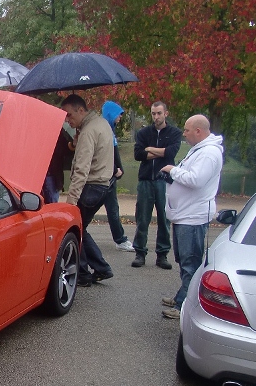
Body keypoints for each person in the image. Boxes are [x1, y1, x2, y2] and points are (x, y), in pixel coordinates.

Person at [160, 115, 224, 319]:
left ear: (198, 131)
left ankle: (185, 306)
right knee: (184, 260)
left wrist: (173, 170)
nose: (184, 133)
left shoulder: (209, 154)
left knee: (191, 263)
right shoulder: (198, 151)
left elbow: (196, 180)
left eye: (187, 130)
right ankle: (183, 295)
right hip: (184, 214)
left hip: (193, 217)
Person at [61, 94, 115, 287]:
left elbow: (82, 169)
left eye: (69, 115)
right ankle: (100, 268)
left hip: (91, 186)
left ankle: (84, 272)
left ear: (81, 110)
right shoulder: (100, 124)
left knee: (76, 228)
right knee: (81, 227)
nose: (67, 119)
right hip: (102, 185)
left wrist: (71, 200)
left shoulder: (89, 131)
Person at [132, 101, 183, 269]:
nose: (156, 117)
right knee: (142, 218)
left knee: (164, 219)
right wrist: (160, 151)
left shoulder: (174, 133)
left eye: (159, 113)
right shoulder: (144, 132)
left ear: (166, 114)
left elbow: (171, 153)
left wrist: (150, 149)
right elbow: (139, 154)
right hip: (146, 180)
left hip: (164, 181)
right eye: (153, 113)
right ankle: (140, 252)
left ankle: (162, 254)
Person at [101, 101, 135, 252]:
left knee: (112, 209)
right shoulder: (104, 131)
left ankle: (120, 238)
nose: (120, 118)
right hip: (106, 178)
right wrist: (115, 169)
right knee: (112, 210)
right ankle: (120, 239)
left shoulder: (110, 131)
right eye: (118, 115)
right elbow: (104, 154)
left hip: (110, 177)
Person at [41, 127, 74, 203]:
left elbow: (67, 149)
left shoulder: (58, 130)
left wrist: (73, 144)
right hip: (48, 173)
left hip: (51, 173)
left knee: (51, 202)